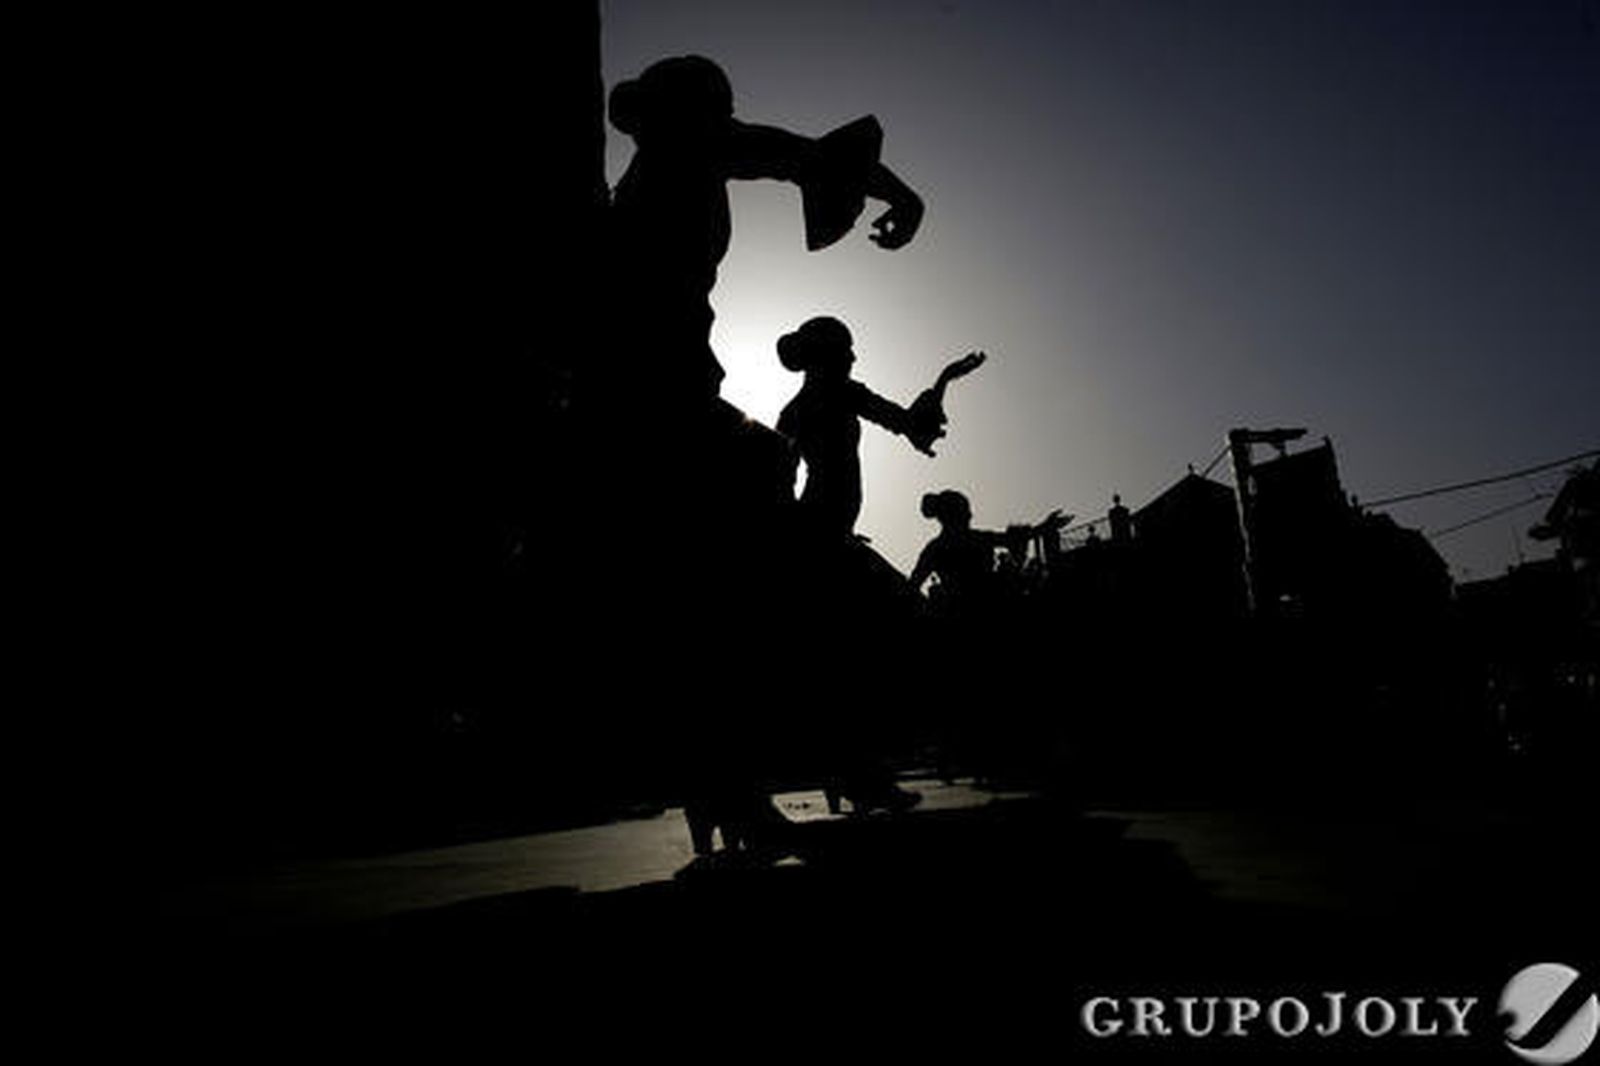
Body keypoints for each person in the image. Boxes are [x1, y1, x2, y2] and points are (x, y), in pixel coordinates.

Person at [606, 55, 925, 410]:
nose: (725, 126)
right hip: (656, 356)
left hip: (658, 351)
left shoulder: (657, 168)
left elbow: (811, 159)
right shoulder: (690, 149)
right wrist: (903, 198)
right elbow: (812, 158)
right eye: (716, 117)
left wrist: (902, 197)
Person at [776, 316, 985, 537]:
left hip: (830, 523)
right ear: (826, 355)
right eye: (846, 350)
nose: (853, 358)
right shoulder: (840, 394)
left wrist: (944, 380)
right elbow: (779, 477)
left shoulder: (800, 408)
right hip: (819, 523)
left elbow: (904, 421)